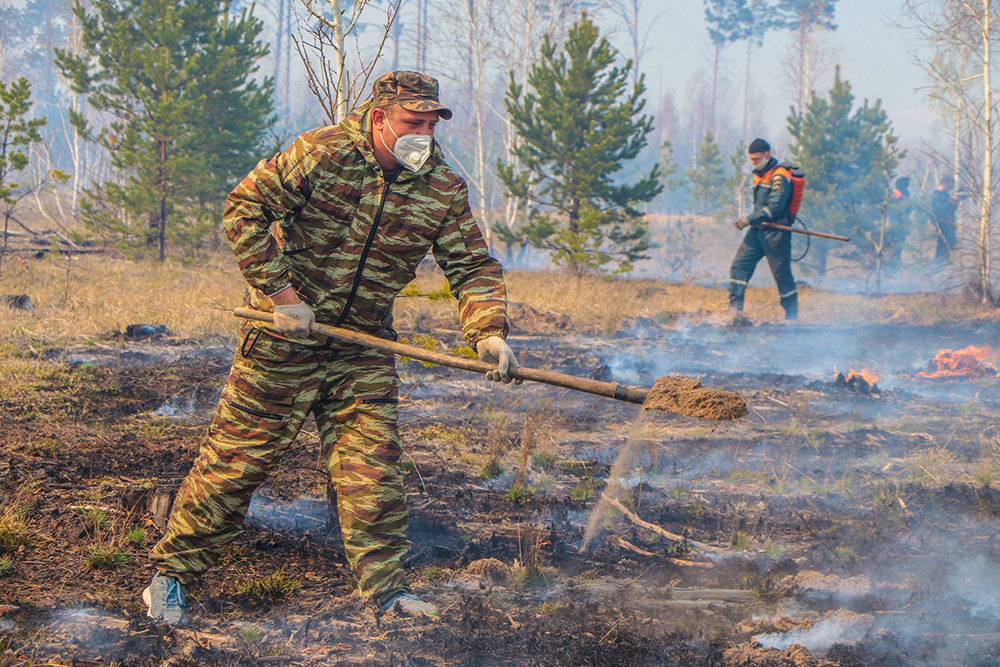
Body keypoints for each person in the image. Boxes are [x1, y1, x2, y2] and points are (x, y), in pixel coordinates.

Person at [143, 71, 521, 626]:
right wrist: (281, 294)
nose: (424, 135)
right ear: (379, 117)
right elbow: (243, 208)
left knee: (374, 473)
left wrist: (488, 332)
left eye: (431, 124)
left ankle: (387, 594)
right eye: (412, 123)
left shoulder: (440, 185)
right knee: (235, 464)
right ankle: (172, 577)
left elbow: (472, 265)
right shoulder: (323, 153)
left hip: (362, 346)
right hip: (282, 340)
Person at [728, 138, 798, 320]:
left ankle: (792, 316)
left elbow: (774, 207)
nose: (754, 162)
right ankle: (735, 311)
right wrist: (754, 221)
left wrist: (748, 219)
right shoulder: (760, 174)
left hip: (776, 232)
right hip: (758, 230)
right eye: (751, 159)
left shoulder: (779, 175)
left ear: (768, 154)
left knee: (781, 274)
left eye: (757, 159)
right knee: (739, 266)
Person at [931, 174, 960, 261]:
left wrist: (956, 202)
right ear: (943, 183)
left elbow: (951, 209)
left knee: (950, 245)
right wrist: (952, 200)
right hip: (942, 224)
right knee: (943, 246)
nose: (950, 187)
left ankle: (945, 264)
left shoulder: (946, 194)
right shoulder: (937, 194)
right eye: (949, 185)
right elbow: (940, 207)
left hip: (949, 223)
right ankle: (938, 265)